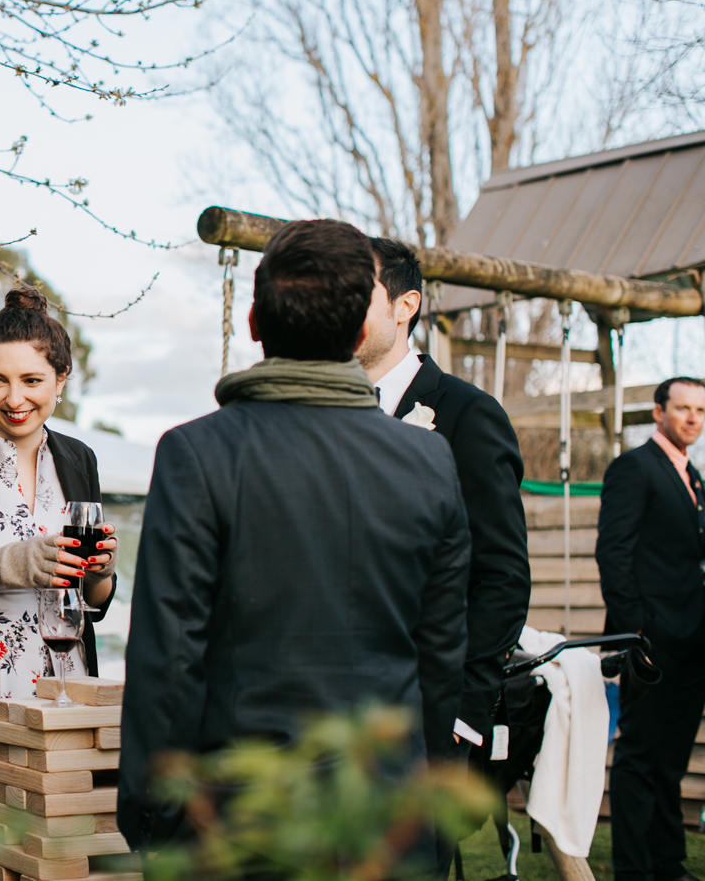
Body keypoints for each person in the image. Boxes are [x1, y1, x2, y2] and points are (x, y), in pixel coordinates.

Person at [118, 219, 472, 855]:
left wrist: (153, 822)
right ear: (362, 330)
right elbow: (440, 662)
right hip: (386, 820)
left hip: (239, 824)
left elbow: (169, 658)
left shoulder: (195, 455)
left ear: (254, 320)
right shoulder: (431, 461)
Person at [357, 239, 531, 752]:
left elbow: (502, 574)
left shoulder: (468, 414)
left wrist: (461, 711)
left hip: (425, 714)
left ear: (404, 305)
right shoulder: (313, 417)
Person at [0, 285, 118, 700]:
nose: (14, 399)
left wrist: (100, 573)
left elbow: (95, 602)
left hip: (68, 683)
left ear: (61, 379)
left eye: (32, 380)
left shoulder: (79, 458)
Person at [598, 376, 705, 881]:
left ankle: (667, 863)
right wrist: (637, 632)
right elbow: (613, 554)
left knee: (669, 761)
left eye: (701, 410)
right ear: (659, 412)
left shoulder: (693, 476)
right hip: (653, 644)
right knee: (639, 759)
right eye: (683, 408)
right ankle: (634, 871)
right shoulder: (634, 468)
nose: (693, 418)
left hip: (694, 643)